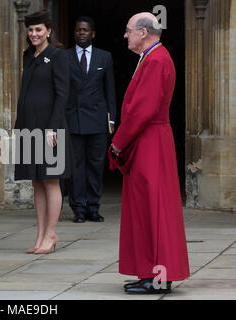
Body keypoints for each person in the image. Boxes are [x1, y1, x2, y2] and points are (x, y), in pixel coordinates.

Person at [110, 12, 190, 294]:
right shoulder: (152, 57)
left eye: (128, 30)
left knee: (155, 209)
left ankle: (159, 277)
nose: (125, 35)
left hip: (151, 140)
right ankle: (149, 272)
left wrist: (118, 142)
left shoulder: (156, 59)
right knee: (145, 209)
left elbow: (142, 109)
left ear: (143, 32)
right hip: (149, 139)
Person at [14, 10, 74, 254]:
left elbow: (62, 94)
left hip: (50, 127)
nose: (34, 34)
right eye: (30, 30)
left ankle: (51, 234)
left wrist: (54, 127)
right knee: (36, 181)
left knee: (51, 181)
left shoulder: (58, 57)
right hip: (28, 125)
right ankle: (39, 236)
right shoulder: (28, 55)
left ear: (48, 31)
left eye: (38, 29)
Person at [66, 16, 116, 223]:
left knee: (96, 165)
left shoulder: (104, 57)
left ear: (92, 33)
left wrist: (112, 119)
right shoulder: (64, 57)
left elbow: (110, 90)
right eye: (78, 30)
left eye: (85, 30)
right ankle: (78, 208)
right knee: (76, 166)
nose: (81, 33)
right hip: (73, 119)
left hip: (97, 120)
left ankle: (93, 206)